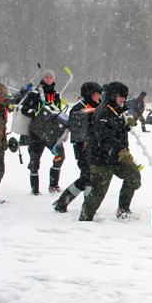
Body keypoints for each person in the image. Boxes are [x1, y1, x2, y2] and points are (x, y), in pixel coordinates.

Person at [79, 82, 142, 221]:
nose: (123, 99)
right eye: (121, 96)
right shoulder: (102, 113)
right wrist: (119, 152)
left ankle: (123, 209)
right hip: (101, 159)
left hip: (117, 157)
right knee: (98, 192)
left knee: (134, 177)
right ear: (113, 96)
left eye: (125, 96)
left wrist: (126, 126)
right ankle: (85, 218)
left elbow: (116, 131)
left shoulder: (116, 110)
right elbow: (105, 138)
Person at [53, 82, 102, 213]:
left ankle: (64, 203)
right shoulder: (78, 108)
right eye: (96, 93)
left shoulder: (100, 107)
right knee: (88, 177)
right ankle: (87, 207)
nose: (99, 96)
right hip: (83, 149)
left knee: (87, 178)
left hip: (96, 149)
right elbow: (78, 131)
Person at [20, 70, 67, 195]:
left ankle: (53, 185)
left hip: (51, 131)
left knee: (60, 155)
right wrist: (36, 113)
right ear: (43, 78)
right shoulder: (34, 93)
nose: (48, 79)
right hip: (36, 130)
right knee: (35, 159)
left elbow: (59, 112)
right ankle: (34, 189)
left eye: (51, 77)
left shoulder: (56, 95)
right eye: (46, 77)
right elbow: (24, 109)